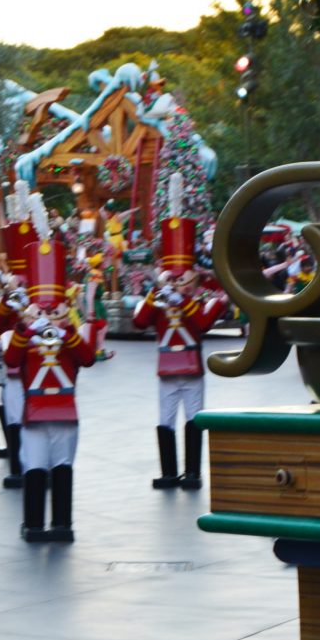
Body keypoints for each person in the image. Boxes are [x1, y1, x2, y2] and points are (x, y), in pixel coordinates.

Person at [4, 193, 97, 543]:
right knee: (34, 468)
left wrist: (67, 332)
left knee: (62, 467)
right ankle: (32, 524)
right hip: (34, 412)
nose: (47, 316)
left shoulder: (69, 333)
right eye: (41, 311)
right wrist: (26, 329)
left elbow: (87, 359)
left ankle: (62, 523)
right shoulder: (25, 333)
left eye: (53, 310)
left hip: (65, 412)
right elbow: (12, 360)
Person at [133, 178, 228, 491]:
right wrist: (155, 295)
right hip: (166, 369)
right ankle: (169, 472)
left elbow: (202, 324)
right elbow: (140, 322)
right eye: (173, 279)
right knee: (165, 420)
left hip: (191, 367)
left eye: (183, 279)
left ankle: (193, 473)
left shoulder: (200, 299)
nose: (178, 283)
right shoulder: (160, 297)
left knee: (194, 420)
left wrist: (183, 300)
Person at [0, 183, 36, 489]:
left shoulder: (44, 291)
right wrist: (8, 300)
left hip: (40, 362)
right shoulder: (8, 291)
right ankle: (17, 465)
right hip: (14, 363)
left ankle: (33, 465)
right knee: (13, 411)